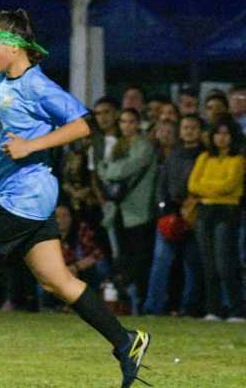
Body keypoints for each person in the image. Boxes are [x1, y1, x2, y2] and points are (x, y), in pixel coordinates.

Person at [0, 10, 149, 388]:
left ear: (15, 47)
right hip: (25, 197)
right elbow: (6, 139)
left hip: (23, 197)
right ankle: (125, 341)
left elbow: (85, 123)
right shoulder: (3, 81)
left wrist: (34, 145)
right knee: (57, 281)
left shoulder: (37, 85)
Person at [143, 115, 204, 316]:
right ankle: (153, 307)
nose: (189, 131)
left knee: (192, 264)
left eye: (193, 127)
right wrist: (165, 209)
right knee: (160, 262)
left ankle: (190, 307)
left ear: (201, 131)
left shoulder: (205, 156)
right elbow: (162, 185)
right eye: (185, 127)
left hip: (195, 215)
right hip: (170, 215)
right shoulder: (174, 155)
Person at [99, 109, 157, 314]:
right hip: (119, 211)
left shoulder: (144, 145)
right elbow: (101, 170)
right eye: (123, 121)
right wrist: (108, 170)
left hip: (139, 211)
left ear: (138, 123)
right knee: (122, 259)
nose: (126, 125)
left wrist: (109, 170)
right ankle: (124, 303)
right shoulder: (118, 145)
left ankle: (140, 303)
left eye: (131, 121)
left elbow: (119, 170)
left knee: (139, 261)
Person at [188, 114, 245, 322]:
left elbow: (229, 186)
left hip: (227, 211)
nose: (221, 138)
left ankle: (237, 309)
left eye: (226, 134)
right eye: (218, 133)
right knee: (208, 262)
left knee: (225, 262)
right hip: (204, 211)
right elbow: (192, 185)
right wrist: (214, 189)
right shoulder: (204, 157)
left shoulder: (238, 160)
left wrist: (207, 188)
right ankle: (213, 308)